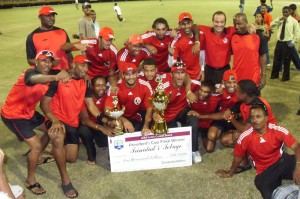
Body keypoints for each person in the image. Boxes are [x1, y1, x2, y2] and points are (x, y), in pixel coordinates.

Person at [40, 55, 115, 198]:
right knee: (57, 136)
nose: (85, 69)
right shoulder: (59, 79)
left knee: (72, 158)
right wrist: (54, 120)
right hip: (57, 119)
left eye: (87, 66)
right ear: (73, 65)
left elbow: (91, 107)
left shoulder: (86, 84)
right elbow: (44, 103)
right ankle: (65, 181)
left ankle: (51, 148)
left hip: (72, 123)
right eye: (82, 65)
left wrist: (105, 122)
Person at [1, 50, 70, 195]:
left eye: (49, 61)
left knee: (52, 129)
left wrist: (54, 120)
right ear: (36, 62)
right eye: (43, 60)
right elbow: (36, 79)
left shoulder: (51, 78)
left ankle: (36, 157)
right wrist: (56, 76)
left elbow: (45, 102)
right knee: (36, 145)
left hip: (29, 113)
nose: (47, 63)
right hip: (13, 115)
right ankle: (30, 180)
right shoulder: (29, 74)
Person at [216, 103, 300, 199]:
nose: (255, 120)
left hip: (282, 161)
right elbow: (238, 157)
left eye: (258, 117)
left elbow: (297, 146)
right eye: (252, 117)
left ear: (266, 118)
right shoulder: (245, 137)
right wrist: (230, 173)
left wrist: (298, 166)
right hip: (265, 171)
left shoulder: (277, 130)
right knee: (271, 196)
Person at [152, 61, 202, 163]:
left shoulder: (187, 80)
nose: (180, 76)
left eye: (182, 72)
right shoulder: (163, 85)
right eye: (177, 73)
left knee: (193, 119)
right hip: (167, 114)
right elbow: (155, 101)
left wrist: (189, 91)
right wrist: (155, 112)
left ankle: (194, 150)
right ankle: (177, 125)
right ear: (172, 74)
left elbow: (189, 78)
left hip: (181, 110)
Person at [105, 63, 153, 134]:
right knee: (115, 128)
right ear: (123, 75)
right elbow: (107, 110)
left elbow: (149, 109)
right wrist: (123, 120)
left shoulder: (145, 86)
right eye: (127, 74)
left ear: (137, 74)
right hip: (119, 117)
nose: (131, 77)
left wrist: (146, 126)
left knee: (140, 133)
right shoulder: (115, 87)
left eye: (133, 74)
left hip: (136, 115)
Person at [78, 76, 115, 165]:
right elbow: (84, 119)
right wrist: (101, 127)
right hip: (88, 124)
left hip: (102, 122)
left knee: (104, 144)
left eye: (103, 85)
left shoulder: (109, 93)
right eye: (98, 85)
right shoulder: (85, 96)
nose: (101, 88)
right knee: (83, 131)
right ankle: (91, 156)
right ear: (92, 87)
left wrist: (110, 123)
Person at [26, 6, 72, 70]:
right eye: (48, 16)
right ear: (40, 17)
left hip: (65, 74)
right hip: (46, 75)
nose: (52, 18)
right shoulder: (32, 36)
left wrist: (71, 68)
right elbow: (30, 60)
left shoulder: (62, 32)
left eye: (53, 15)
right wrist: (49, 63)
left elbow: (69, 53)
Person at [204, 70, 238, 153]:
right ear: (223, 82)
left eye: (234, 82)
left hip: (235, 120)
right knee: (209, 147)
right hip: (220, 118)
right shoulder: (219, 90)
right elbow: (205, 92)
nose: (232, 85)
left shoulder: (241, 92)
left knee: (225, 141)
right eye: (229, 82)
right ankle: (205, 135)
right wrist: (215, 92)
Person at [231, 13, 267, 90]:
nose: (236, 27)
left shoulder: (258, 35)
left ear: (246, 22)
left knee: (253, 100)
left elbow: (263, 56)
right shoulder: (232, 36)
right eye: (235, 24)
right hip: (237, 78)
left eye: (239, 24)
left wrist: (263, 75)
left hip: (253, 77)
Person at [199, 11, 236, 84]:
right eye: (216, 22)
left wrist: (251, 27)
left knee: (224, 93)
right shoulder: (205, 31)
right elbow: (193, 27)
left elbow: (243, 27)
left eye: (221, 22)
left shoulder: (230, 31)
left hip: (225, 70)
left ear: (225, 22)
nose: (219, 25)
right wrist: (202, 69)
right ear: (212, 21)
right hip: (209, 70)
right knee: (209, 93)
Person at [187, 80, 221, 154]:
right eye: (201, 90)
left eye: (205, 92)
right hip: (196, 122)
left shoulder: (216, 97)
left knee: (209, 149)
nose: (201, 93)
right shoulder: (193, 95)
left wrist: (220, 90)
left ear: (211, 92)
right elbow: (186, 79)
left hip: (208, 123)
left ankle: (217, 133)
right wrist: (188, 92)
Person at [270, 6, 300, 82]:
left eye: (286, 12)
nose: (285, 14)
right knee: (276, 59)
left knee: (286, 61)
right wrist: (279, 20)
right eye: (283, 12)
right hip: (279, 42)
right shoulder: (280, 19)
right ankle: (274, 75)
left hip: (288, 42)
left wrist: (293, 42)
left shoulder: (293, 21)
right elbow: (271, 25)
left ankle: (285, 77)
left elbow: (297, 33)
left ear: (290, 12)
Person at [170, 12, 203, 81]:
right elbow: (173, 62)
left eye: (188, 23)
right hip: (185, 75)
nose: (187, 26)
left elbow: (203, 53)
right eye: (183, 24)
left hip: (199, 73)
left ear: (192, 23)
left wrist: (202, 69)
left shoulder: (200, 35)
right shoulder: (177, 41)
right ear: (179, 25)